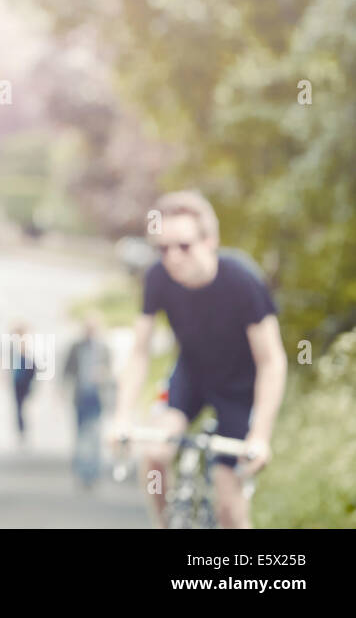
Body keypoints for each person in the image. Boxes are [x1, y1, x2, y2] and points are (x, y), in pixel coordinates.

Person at [107, 190, 287, 528]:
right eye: (162, 248)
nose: (172, 257)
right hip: (191, 376)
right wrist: (121, 416)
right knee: (155, 456)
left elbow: (271, 361)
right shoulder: (158, 277)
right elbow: (140, 351)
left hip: (239, 390)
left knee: (229, 506)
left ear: (210, 241)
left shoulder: (242, 280)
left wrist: (260, 436)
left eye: (184, 246)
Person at [63, 314, 112, 488]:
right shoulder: (76, 347)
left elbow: (110, 372)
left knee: (95, 436)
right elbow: (67, 371)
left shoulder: (103, 348)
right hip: (80, 396)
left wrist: (103, 374)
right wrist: (61, 393)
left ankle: (94, 473)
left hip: (97, 397)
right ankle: (81, 472)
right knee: (81, 435)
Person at [9, 323, 39, 445]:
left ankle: (24, 430)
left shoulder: (28, 346)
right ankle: (22, 431)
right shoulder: (14, 347)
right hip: (17, 380)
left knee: (22, 406)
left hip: (26, 380)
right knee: (19, 407)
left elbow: (34, 365)